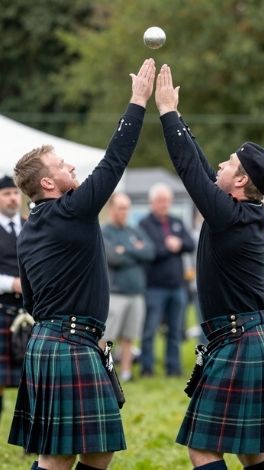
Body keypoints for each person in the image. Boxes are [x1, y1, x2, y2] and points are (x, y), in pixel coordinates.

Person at [8, 58, 155, 470]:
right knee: (58, 458)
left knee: (97, 449)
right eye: (62, 165)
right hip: (66, 345)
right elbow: (113, 163)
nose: (73, 166)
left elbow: (32, 299)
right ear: (49, 184)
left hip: (63, 340)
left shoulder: (31, 226)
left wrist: (87, 328)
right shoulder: (71, 211)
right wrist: (137, 103)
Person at [154, 63, 264, 470]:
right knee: (253, 451)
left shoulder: (230, 216)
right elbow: (200, 167)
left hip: (241, 344)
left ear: (240, 182)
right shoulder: (241, 212)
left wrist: (165, 112)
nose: (220, 163)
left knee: (204, 449)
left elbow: (189, 170)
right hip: (250, 340)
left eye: (229, 163)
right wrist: (177, 117)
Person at [138, 182, 195, 377]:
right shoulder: (144, 224)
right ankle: (147, 367)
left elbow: (190, 243)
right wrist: (166, 247)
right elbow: (147, 251)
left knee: (175, 329)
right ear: (152, 202)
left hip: (177, 286)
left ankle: (174, 368)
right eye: (160, 201)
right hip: (154, 286)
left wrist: (178, 244)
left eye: (167, 201)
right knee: (150, 330)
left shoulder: (176, 222)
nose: (164, 204)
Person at [100, 192, 154, 382]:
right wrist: (135, 251)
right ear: (111, 209)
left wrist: (126, 249)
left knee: (130, 337)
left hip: (136, 293)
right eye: (120, 207)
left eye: (126, 207)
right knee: (107, 337)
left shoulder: (134, 230)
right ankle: (103, 372)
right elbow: (113, 257)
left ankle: (125, 373)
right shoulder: (104, 232)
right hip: (115, 294)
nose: (124, 211)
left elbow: (150, 252)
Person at [0, 175, 24, 420]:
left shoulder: (31, 225)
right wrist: (12, 283)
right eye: (6, 194)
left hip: (30, 314)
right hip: (2, 310)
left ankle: (31, 445)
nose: (12, 198)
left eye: (15, 193)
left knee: (31, 382)